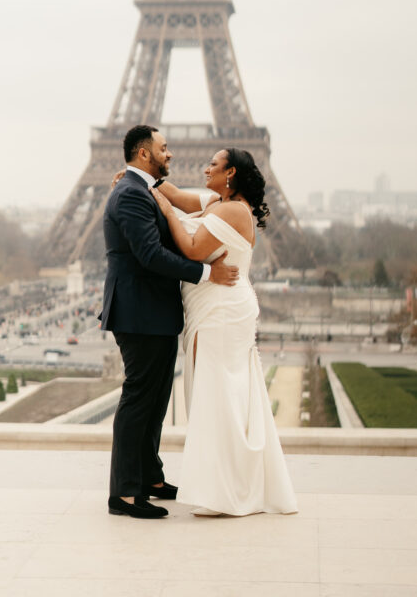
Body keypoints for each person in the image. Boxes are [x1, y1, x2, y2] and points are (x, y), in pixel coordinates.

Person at [100, 124, 239, 520]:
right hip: (140, 313)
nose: (171, 154)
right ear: (145, 154)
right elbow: (150, 255)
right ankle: (125, 494)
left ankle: (149, 479)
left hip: (151, 312)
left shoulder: (140, 190)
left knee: (155, 400)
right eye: (164, 148)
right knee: (139, 401)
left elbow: (178, 210)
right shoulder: (130, 194)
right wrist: (208, 274)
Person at [151, 147, 298, 517]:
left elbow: (194, 248)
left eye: (212, 165)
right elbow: (182, 196)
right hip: (219, 308)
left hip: (222, 310)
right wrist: (147, 181)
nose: (205, 169)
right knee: (223, 397)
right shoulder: (220, 201)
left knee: (217, 397)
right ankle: (230, 486)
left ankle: (223, 493)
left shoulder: (232, 210)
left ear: (230, 172)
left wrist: (165, 210)